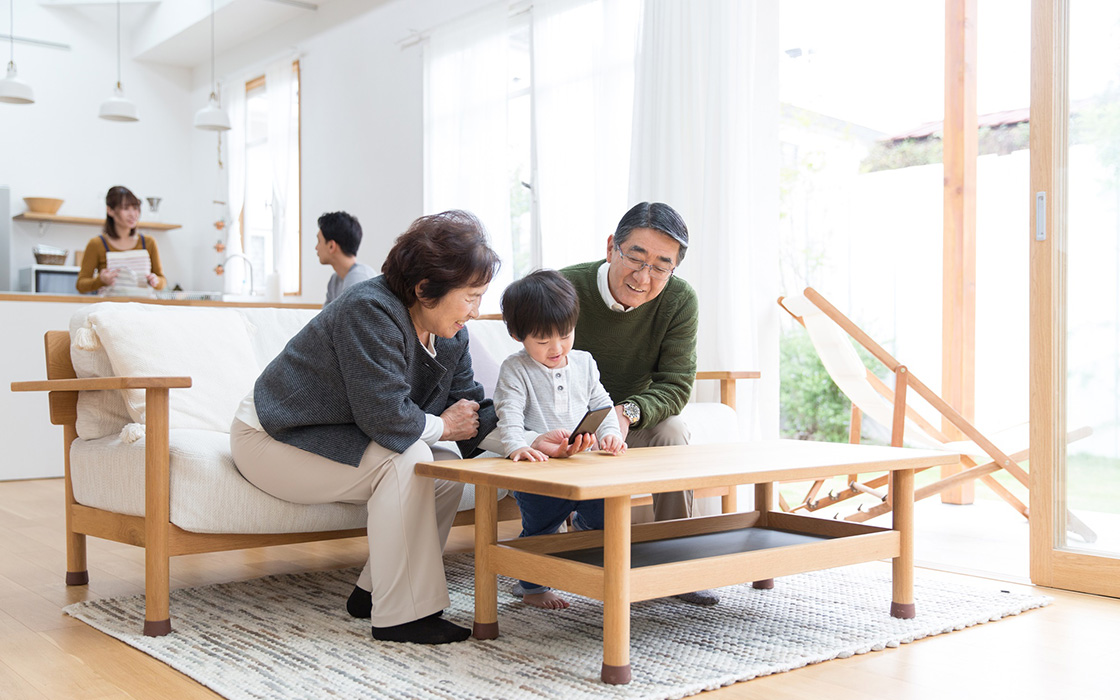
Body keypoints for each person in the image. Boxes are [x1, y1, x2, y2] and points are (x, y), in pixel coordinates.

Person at [229, 210, 584, 645]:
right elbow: (385, 417)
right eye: (471, 296)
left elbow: (469, 407)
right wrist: (443, 425)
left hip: (337, 438)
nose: (476, 311)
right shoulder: (369, 310)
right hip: (275, 436)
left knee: (443, 464)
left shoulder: (451, 334)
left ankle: (374, 591)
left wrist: (530, 440)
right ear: (424, 288)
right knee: (414, 458)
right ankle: (402, 616)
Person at [560, 201, 720, 606]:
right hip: (567, 417)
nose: (643, 276)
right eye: (636, 257)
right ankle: (544, 560)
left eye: (661, 266)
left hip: (630, 414)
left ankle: (677, 564)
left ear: (673, 270)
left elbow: (677, 384)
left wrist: (628, 413)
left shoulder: (679, 300)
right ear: (613, 245)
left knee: (673, 429)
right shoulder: (564, 286)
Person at [493, 269, 625, 610]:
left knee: (602, 518)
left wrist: (610, 435)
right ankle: (533, 588)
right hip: (540, 473)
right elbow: (508, 417)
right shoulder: (515, 369)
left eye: (565, 335)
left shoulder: (584, 363)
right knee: (540, 529)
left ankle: (581, 529)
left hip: (584, 466)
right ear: (517, 335)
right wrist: (519, 446)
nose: (557, 347)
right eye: (542, 341)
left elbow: (603, 405)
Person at [76, 185, 167, 293]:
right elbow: (81, 285)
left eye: (135, 208)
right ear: (110, 210)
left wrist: (156, 281)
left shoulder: (148, 242)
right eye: (126, 208)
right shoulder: (97, 244)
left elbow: (162, 281)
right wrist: (101, 280)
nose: (133, 214)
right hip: (111, 308)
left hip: (142, 308)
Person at [315, 210, 376, 304]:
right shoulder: (335, 280)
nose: (316, 247)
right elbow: (324, 318)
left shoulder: (359, 278)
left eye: (319, 241)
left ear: (331, 246)